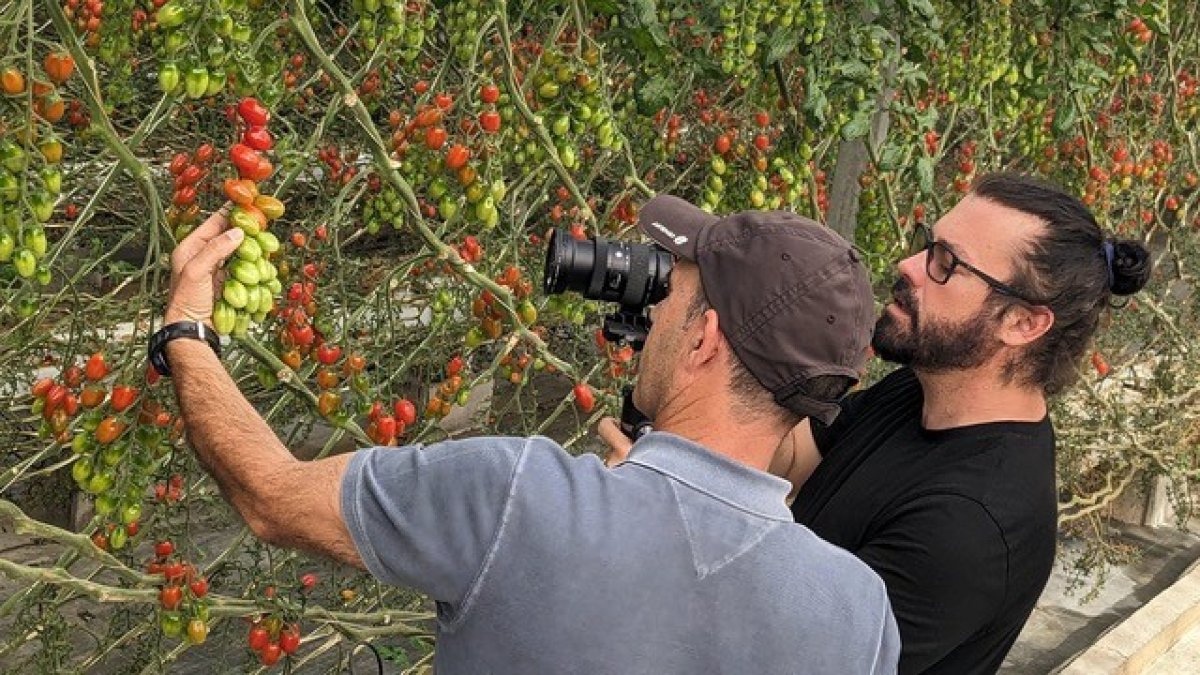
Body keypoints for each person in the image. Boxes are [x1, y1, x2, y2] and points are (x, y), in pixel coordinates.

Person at [156, 196, 900, 673]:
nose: (649, 317)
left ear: (704, 339)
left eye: (666, 298)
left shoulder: (518, 499)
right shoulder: (861, 616)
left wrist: (186, 331)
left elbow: (271, 497)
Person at [766, 174, 1150, 674]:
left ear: (1022, 323)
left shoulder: (971, 525)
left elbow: (779, 658)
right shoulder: (922, 388)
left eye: (946, 264)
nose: (908, 267)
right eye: (928, 246)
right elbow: (795, 457)